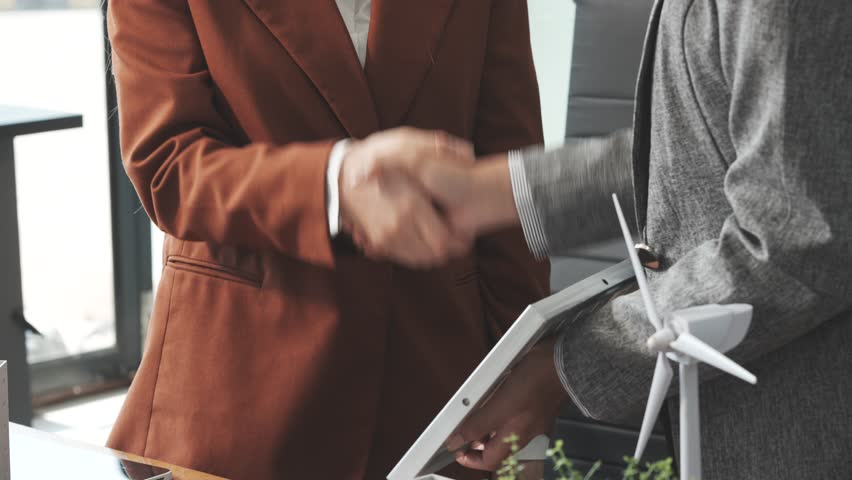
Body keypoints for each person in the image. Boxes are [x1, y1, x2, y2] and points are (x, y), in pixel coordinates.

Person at [359, 0, 852, 478]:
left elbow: (798, 242)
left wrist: (565, 367)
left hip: (797, 423)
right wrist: (495, 193)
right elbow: (697, 146)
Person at [104, 2, 548, 479]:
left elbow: (510, 186)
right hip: (240, 386)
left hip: (435, 392)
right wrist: (334, 183)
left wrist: (524, 378)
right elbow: (168, 167)